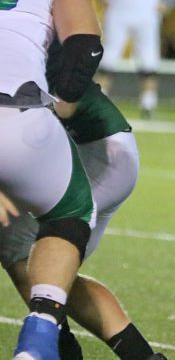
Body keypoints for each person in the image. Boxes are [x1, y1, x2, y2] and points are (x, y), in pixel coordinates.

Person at [0, 34, 165, 359]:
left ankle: (54, 349)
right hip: (104, 149)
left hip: (93, 151)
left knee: (27, 258)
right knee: (54, 274)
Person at [0, 0, 103, 358]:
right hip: (18, 115)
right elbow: (85, 44)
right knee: (70, 214)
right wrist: (66, 104)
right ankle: (40, 338)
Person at [95, 0, 175, 118]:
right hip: (118, 11)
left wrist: (168, 2)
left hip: (147, 12)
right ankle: (99, 101)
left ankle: (148, 104)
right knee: (108, 59)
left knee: (149, 61)